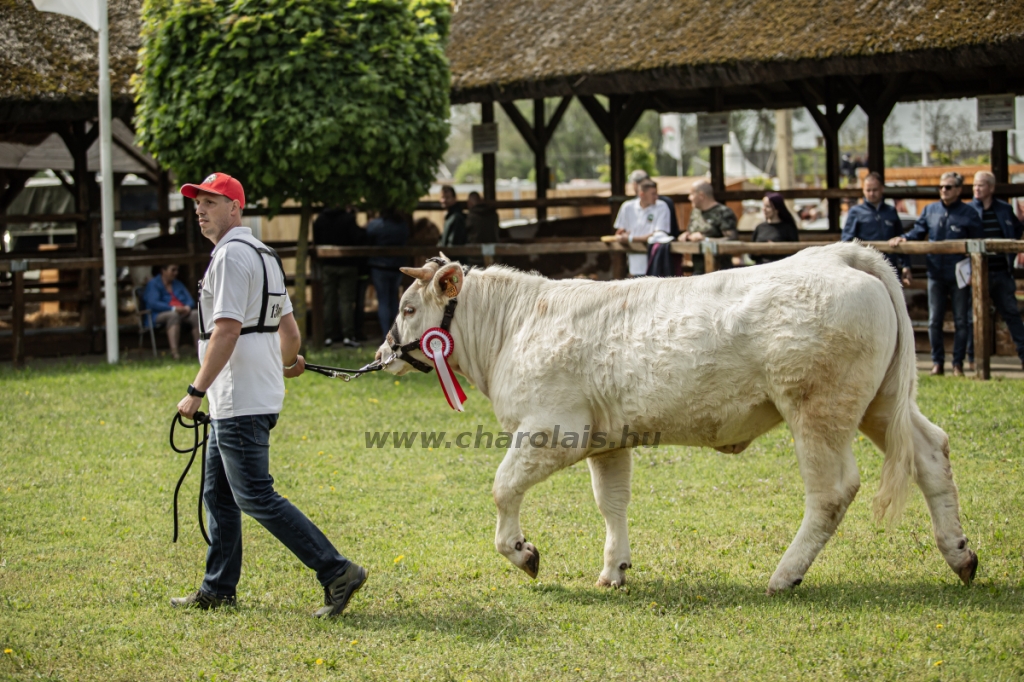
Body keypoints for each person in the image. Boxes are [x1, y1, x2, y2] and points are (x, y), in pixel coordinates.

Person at [172, 172, 366, 617]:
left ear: (235, 207)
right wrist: (283, 362)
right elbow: (290, 331)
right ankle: (218, 588)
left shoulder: (228, 258)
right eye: (197, 203)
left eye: (211, 202)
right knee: (218, 494)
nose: (200, 209)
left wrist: (194, 390)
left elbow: (226, 331)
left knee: (255, 496)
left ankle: (337, 571)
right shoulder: (265, 253)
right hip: (247, 391)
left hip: (236, 394)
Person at [889, 171, 983, 376]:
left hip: (959, 275)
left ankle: (958, 363)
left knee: (961, 320)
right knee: (934, 320)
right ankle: (937, 362)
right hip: (936, 273)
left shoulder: (969, 214)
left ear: (958, 190)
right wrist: (903, 238)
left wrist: (973, 273)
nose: (943, 190)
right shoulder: (930, 210)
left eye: (948, 187)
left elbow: (978, 246)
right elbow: (917, 232)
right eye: (940, 187)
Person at [971, 171, 1024, 369]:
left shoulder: (1004, 209)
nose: (976, 188)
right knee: (973, 316)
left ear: (991, 188)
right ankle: (973, 360)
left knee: (1011, 313)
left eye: (981, 185)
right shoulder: (967, 210)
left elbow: (1017, 231)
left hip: (1001, 272)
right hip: (976, 275)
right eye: (975, 185)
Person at [312, 206, 364, 348]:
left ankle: (328, 335)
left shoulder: (320, 219)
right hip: (348, 264)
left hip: (328, 265)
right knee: (346, 301)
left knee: (329, 301)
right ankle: (348, 335)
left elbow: (316, 240)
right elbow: (358, 238)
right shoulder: (348, 219)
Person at [841, 172, 907, 275]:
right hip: (866, 270)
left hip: (890, 268)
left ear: (882, 189)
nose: (871, 193)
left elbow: (900, 238)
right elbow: (847, 240)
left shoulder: (891, 211)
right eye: (868, 190)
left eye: (875, 190)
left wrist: (906, 265)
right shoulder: (855, 212)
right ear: (863, 190)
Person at [612, 178, 671, 276]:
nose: (656, 197)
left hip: (655, 262)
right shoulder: (627, 207)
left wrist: (630, 238)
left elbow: (659, 235)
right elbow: (620, 231)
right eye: (653, 194)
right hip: (634, 263)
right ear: (642, 194)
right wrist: (621, 236)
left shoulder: (662, 206)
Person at [678, 180, 738, 274]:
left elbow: (732, 239)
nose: (689, 198)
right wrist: (686, 235)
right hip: (698, 271)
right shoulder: (695, 212)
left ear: (701, 195)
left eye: (692, 194)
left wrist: (705, 240)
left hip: (719, 272)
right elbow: (692, 231)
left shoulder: (723, 212)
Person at [367, 208, 410, 336]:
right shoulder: (401, 225)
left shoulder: (375, 225)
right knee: (394, 299)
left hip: (379, 267)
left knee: (383, 300)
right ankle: (397, 331)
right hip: (396, 267)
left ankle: (386, 333)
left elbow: (368, 238)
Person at [143, 264, 200, 359]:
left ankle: (199, 351)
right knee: (173, 316)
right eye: (173, 270)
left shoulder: (178, 284)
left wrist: (187, 307)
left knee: (195, 314)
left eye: (177, 270)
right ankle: (175, 353)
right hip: (158, 314)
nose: (176, 273)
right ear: (163, 271)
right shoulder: (153, 284)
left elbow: (190, 300)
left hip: (182, 312)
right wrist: (173, 308)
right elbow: (153, 303)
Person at [750, 193, 799, 265]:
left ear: (777, 209)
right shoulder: (759, 227)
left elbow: (795, 252)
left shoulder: (788, 228)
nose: (764, 209)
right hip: (761, 268)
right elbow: (751, 255)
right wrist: (758, 251)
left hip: (780, 268)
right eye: (763, 206)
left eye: (768, 206)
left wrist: (776, 248)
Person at [629, 169, 680, 237]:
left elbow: (660, 233)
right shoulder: (629, 205)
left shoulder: (663, 204)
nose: (655, 198)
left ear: (635, 185)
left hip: (662, 243)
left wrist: (630, 238)